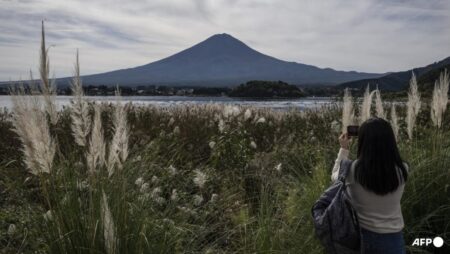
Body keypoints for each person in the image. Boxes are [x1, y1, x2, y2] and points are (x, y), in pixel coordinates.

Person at [331, 118, 408, 254]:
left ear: (363, 141)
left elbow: (335, 178)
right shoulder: (403, 169)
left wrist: (343, 149)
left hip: (363, 238)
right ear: (390, 140)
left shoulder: (353, 169)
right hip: (393, 239)